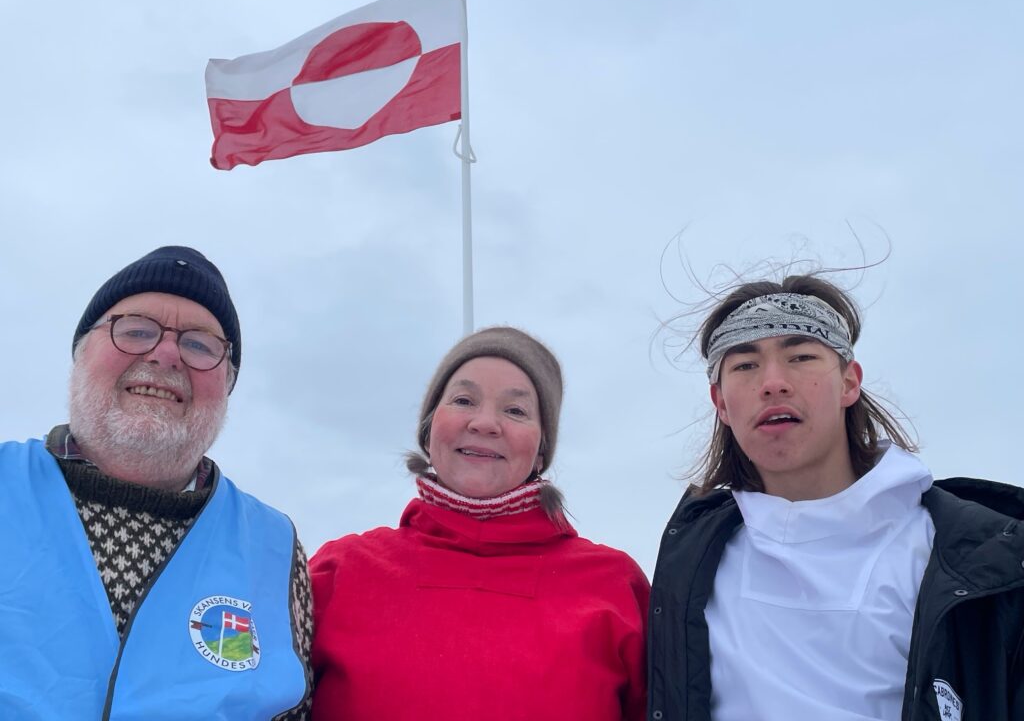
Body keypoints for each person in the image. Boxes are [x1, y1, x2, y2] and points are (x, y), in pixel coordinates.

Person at [647, 274, 1024, 721]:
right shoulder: (689, 560)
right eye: (745, 365)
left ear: (849, 382)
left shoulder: (981, 560)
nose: (773, 382)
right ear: (721, 403)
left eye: (801, 356)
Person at [0, 247, 311, 720]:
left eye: (200, 344)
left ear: (226, 385)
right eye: (136, 330)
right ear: (81, 356)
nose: (166, 354)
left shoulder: (275, 547)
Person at [310, 326, 650, 720]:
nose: (485, 423)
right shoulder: (340, 571)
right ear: (430, 427)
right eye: (464, 400)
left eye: (515, 410)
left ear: (541, 451)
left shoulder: (614, 585)